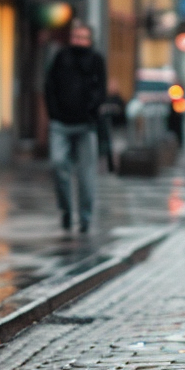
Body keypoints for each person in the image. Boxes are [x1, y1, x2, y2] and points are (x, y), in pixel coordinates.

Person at [44, 21, 107, 232]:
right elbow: (49, 85)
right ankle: (66, 211)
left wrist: (91, 110)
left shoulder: (97, 60)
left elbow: (102, 89)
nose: (78, 41)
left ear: (90, 40)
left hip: (85, 125)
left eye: (83, 37)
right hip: (60, 123)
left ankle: (85, 218)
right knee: (58, 164)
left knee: (86, 174)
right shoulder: (61, 57)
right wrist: (53, 112)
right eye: (75, 37)